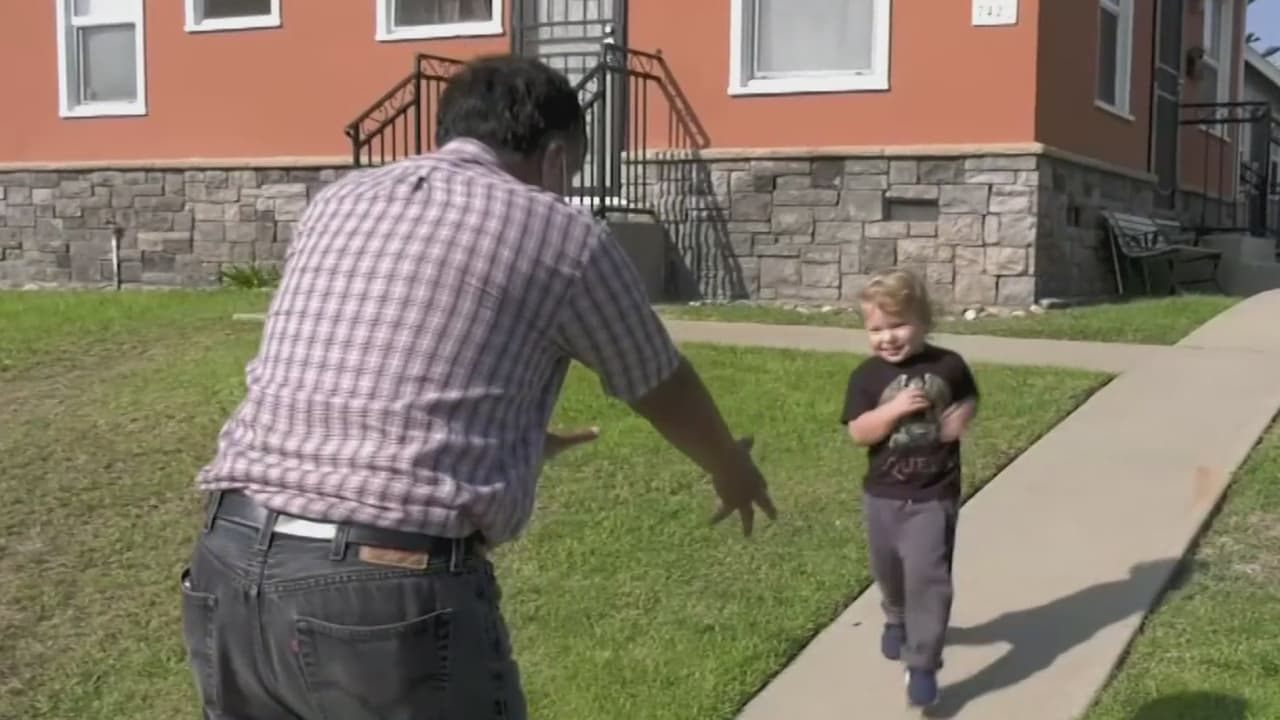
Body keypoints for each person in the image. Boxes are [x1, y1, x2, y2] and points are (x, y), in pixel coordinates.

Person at [179, 55, 776, 720]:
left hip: (227, 566)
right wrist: (731, 468)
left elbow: (378, 355)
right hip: (381, 593)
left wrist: (508, 441)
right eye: (571, 174)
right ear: (555, 158)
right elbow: (658, 380)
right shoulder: (561, 231)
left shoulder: (340, 201)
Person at [839, 268, 978, 708]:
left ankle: (922, 664)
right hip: (882, 495)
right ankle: (895, 616)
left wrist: (962, 417)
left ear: (924, 321)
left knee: (929, 580)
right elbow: (860, 433)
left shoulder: (949, 365)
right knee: (890, 574)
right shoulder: (866, 377)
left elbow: (967, 396)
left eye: (898, 325)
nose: (887, 338)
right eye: (876, 329)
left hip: (934, 496)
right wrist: (895, 409)